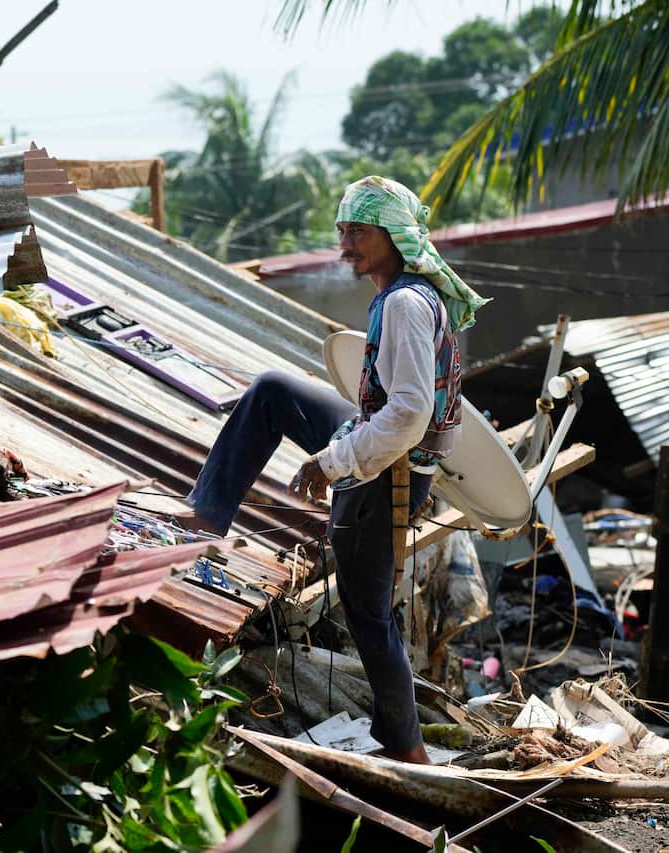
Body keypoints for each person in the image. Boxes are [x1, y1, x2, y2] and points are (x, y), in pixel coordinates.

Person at [177, 176, 489, 764]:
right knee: (273, 391)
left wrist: (332, 460)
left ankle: (407, 746)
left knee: (368, 611)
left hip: (388, 468)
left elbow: (410, 413)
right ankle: (207, 511)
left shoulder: (403, 303)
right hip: (379, 441)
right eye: (342, 231)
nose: (345, 244)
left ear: (395, 236)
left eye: (359, 232)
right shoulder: (403, 293)